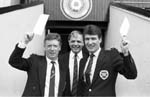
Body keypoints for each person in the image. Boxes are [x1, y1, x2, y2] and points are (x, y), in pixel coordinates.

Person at [78, 25, 137, 96]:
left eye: (93, 39)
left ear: (100, 39)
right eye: (87, 39)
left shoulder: (111, 55)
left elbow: (131, 74)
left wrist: (125, 53)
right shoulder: (82, 60)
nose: (90, 42)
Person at [9, 32, 67, 97]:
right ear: (44, 47)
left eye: (55, 46)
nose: (52, 49)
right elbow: (14, 61)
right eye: (49, 46)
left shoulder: (65, 66)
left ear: (60, 48)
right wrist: (25, 42)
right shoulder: (35, 61)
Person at [62, 30, 87, 96]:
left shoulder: (89, 59)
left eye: (78, 41)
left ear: (83, 43)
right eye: (73, 41)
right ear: (69, 42)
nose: (75, 44)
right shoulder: (61, 59)